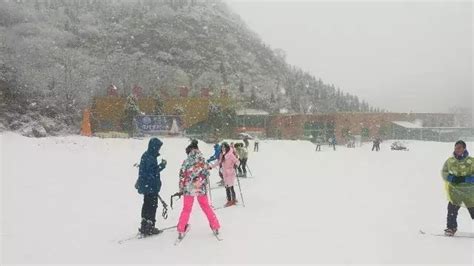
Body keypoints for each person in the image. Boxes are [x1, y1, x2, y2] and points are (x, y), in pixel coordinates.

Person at [177, 140, 220, 239]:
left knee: (186, 208)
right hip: (200, 187)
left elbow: (182, 175)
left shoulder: (186, 161)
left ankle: (181, 228)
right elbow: (206, 172)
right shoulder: (202, 160)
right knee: (206, 206)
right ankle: (215, 226)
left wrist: (181, 188)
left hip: (188, 188)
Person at [441, 140, 474, 236]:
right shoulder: (450, 161)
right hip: (455, 192)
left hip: (470, 193)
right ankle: (451, 228)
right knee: (451, 210)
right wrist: (452, 178)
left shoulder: (471, 161)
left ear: (464, 148)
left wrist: (466, 179)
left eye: (459, 147)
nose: (457, 150)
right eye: (456, 148)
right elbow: (444, 172)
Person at [135, 138, 167, 236]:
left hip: (147, 186)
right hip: (151, 186)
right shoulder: (150, 157)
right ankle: (150, 226)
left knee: (146, 204)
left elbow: (146, 171)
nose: (159, 149)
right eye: (158, 147)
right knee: (152, 206)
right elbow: (152, 172)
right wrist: (162, 165)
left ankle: (144, 224)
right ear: (154, 147)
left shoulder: (146, 155)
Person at [210, 142, 240, 207]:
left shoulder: (231, 154)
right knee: (227, 186)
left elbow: (237, 161)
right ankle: (231, 200)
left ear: (227, 147)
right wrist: (211, 167)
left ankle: (231, 200)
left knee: (230, 187)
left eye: (224, 147)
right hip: (225, 173)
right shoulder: (222, 155)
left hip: (230, 172)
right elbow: (218, 162)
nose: (223, 148)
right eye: (222, 147)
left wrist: (236, 165)